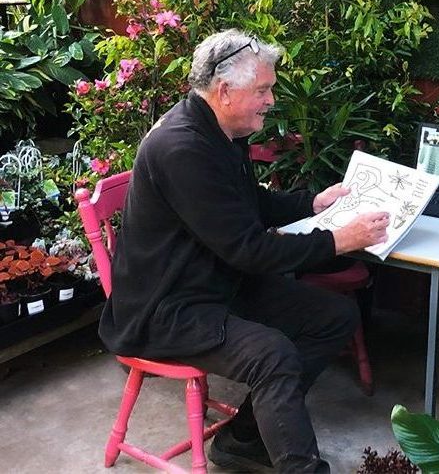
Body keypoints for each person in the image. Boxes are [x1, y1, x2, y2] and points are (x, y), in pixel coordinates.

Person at [98, 29, 390, 473]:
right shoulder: (183, 148)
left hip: (215, 281)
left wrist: (310, 203)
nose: (271, 100)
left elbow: (246, 204)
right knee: (272, 354)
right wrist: (338, 240)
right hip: (166, 308)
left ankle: (244, 438)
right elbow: (249, 250)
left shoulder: (221, 128)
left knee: (335, 316)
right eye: (264, 90)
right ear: (225, 90)